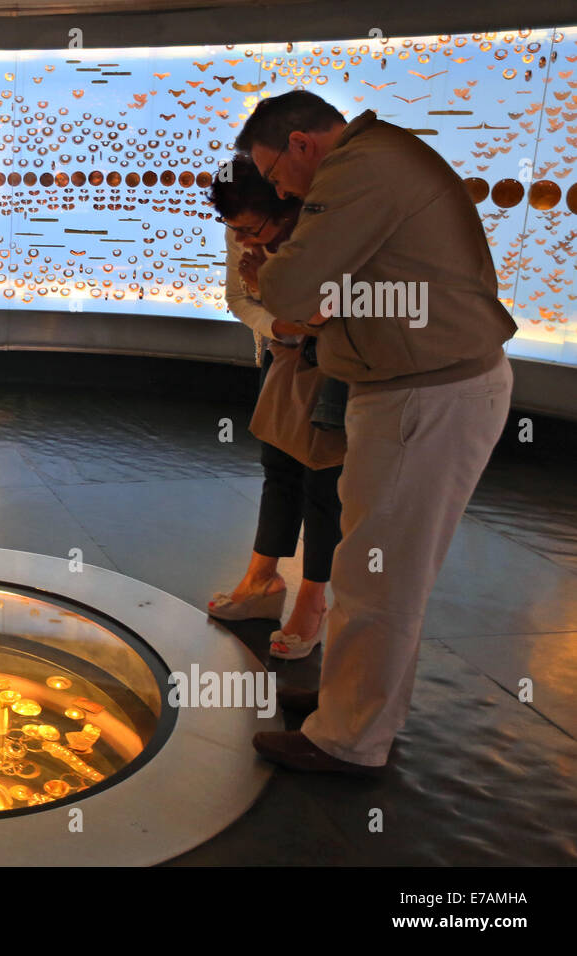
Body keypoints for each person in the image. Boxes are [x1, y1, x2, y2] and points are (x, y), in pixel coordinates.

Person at [237, 91, 516, 773]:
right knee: (374, 567)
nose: (280, 192)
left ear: (303, 145)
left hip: (426, 397)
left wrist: (268, 271)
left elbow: (294, 290)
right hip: (416, 388)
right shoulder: (379, 157)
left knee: (378, 577)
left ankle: (350, 743)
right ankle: (347, 707)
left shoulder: (357, 169)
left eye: (276, 176)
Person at [207, 155, 344, 660]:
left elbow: (335, 310)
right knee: (278, 468)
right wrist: (279, 327)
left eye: (248, 228)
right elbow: (241, 299)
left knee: (324, 481)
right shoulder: (245, 228)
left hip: (335, 369)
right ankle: (262, 582)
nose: (241, 240)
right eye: (232, 228)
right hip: (280, 355)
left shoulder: (328, 227)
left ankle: (313, 601)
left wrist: (276, 291)